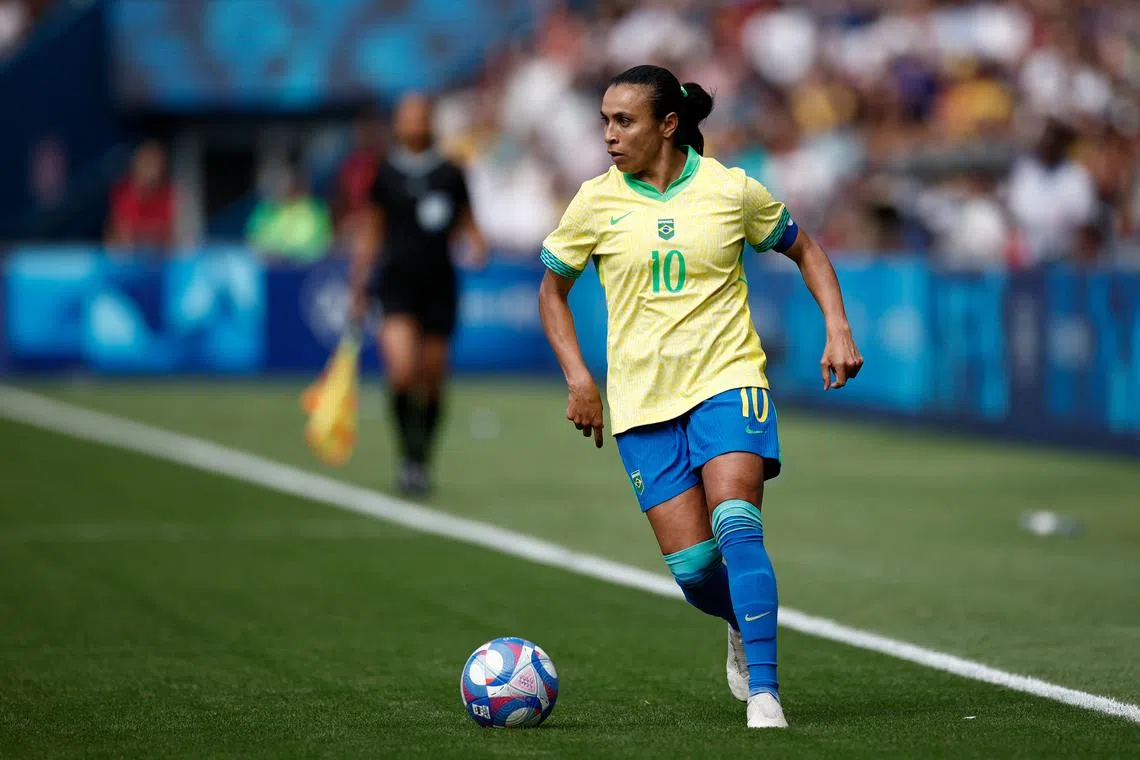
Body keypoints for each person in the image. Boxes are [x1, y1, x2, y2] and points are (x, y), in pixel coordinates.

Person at [537, 65, 863, 729]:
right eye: (604, 120)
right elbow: (552, 290)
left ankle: (767, 694)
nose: (608, 135)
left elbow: (806, 250)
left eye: (622, 120)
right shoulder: (595, 202)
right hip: (641, 403)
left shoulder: (730, 190)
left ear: (668, 124)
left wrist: (837, 326)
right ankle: (740, 621)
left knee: (738, 524)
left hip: (729, 380)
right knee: (694, 572)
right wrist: (578, 376)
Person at [350, 93, 488, 495]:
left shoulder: (450, 171)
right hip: (396, 283)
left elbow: (468, 223)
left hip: (440, 285)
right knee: (402, 371)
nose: (413, 122)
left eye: (420, 115)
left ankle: (422, 457)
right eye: (406, 116)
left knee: (432, 380)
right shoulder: (385, 173)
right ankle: (406, 456)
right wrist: (358, 284)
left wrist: (477, 245)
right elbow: (371, 230)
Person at [105, 140, 175, 254]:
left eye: (155, 165)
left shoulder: (172, 196)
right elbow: (122, 242)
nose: (151, 171)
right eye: (147, 164)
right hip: (131, 264)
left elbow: (179, 240)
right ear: (136, 166)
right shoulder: (124, 196)